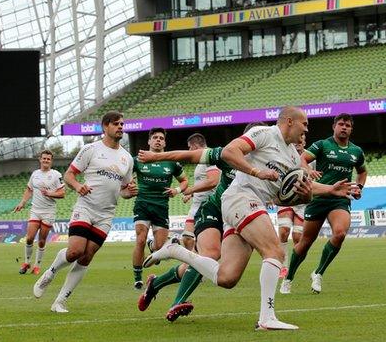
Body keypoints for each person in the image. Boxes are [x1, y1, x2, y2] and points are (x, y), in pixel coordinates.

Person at [144, 107, 357, 330]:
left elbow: (289, 195)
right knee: (275, 251)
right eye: (304, 125)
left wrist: (328, 190)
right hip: (240, 198)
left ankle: (176, 251)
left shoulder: (293, 156)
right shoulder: (264, 133)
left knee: (227, 277)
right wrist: (256, 172)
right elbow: (229, 152)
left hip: (248, 205)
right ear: (289, 121)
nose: (306, 129)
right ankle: (267, 318)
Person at [137, 123, 263, 322]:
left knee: (210, 267)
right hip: (213, 210)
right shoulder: (228, 154)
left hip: (239, 217)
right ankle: (176, 303)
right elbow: (189, 158)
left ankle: (156, 283)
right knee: (210, 254)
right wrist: (157, 157)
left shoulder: (268, 164)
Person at [33, 111, 138, 313]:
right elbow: (69, 174)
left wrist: (129, 192)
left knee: (87, 256)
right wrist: (78, 186)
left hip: (106, 214)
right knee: (75, 252)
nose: (121, 127)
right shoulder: (91, 149)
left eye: (122, 124)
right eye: (116, 124)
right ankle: (50, 272)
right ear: (105, 127)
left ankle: (60, 301)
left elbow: (123, 191)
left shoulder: (127, 158)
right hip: (85, 208)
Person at [281, 113, 366, 295]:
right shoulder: (322, 144)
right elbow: (302, 158)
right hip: (318, 197)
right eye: (341, 124)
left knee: (340, 233)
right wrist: (307, 170)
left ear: (351, 129)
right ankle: (289, 278)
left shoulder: (356, 151)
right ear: (334, 126)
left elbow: (362, 171)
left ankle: (318, 273)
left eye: (348, 125)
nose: (344, 127)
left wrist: (359, 187)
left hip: (340, 199)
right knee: (305, 242)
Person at [131, 128, 188, 289]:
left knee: (159, 248)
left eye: (161, 138)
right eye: (155, 137)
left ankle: (153, 246)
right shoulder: (138, 160)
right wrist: (130, 183)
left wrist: (176, 190)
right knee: (140, 239)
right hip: (142, 203)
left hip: (161, 206)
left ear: (165, 142)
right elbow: (127, 177)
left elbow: (184, 181)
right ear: (149, 141)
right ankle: (137, 278)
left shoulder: (172, 162)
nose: (158, 140)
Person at [14, 150, 65, 275]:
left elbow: (62, 193)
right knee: (30, 238)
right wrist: (22, 202)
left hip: (48, 212)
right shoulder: (35, 174)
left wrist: (50, 193)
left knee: (42, 241)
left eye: (48, 159)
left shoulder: (56, 175)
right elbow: (29, 189)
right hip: (35, 210)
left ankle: (37, 266)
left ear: (51, 161)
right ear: (40, 159)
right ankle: (26, 262)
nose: (46, 160)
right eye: (44, 158)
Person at [276, 137, 314, 279]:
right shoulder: (285, 155)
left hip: (302, 202)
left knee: (298, 237)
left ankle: (292, 267)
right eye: (296, 141)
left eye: (302, 140)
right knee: (284, 230)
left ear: (305, 142)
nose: (298, 142)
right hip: (285, 198)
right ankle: (282, 266)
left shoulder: (311, 159)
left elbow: (314, 180)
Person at [181, 133, 220, 250]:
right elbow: (203, 181)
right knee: (187, 238)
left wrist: (190, 190)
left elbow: (213, 181)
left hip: (208, 206)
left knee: (207, 246)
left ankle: (198, 264)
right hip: (196, 205)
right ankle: (192, 265)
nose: (189, 150)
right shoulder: (201, 160)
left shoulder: (210, 157)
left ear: (195, 146)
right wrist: (192, 194)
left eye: (190, 147)